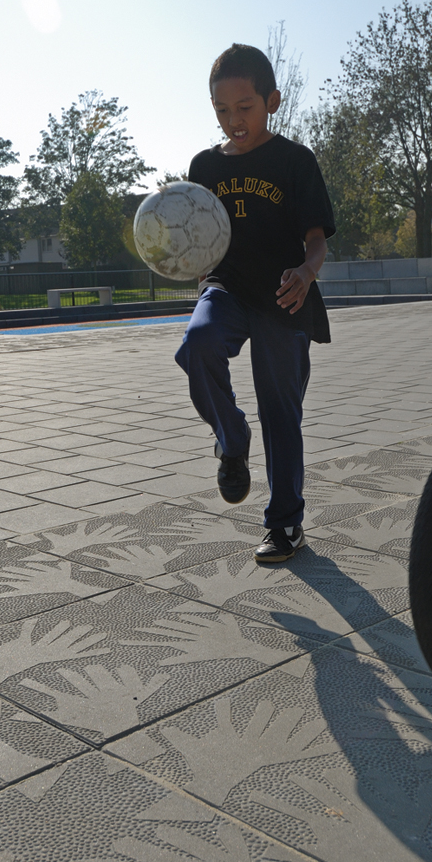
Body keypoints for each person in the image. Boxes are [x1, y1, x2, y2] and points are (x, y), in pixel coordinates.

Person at [175, 44, 335, 563]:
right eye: (221, 111)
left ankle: (286, 525)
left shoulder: (294, 161)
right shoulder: (203, 166)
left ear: (272, 101)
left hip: (284, 298)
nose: (233, 121)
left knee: (280, 410)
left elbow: (317, 238)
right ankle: (232, 436)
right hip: (226, 288)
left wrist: (307, 272)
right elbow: (194, 235)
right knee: (197, 342)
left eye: (244, 108)